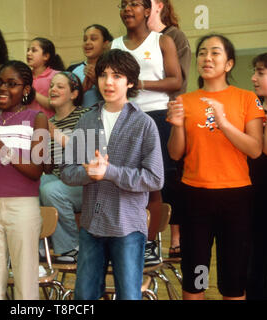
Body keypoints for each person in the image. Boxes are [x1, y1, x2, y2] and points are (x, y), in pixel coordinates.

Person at [167, 34, 264, 300]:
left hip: (236, 197)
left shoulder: (246, 99)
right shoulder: (184, 101)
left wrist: (223, 122)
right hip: (195, 196)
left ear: (229, 63)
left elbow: (255, 148)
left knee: (233, 282)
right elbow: (176, 153)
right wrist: (176, 126)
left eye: (215, 53)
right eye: (202, 53)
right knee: (196, 278)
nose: (207, 58)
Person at [61, 49, 164, 300]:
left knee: (129, 295)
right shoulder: (86, 121)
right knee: (84, 297)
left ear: (129, 82)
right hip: (91, 227)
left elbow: (154, 178)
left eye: (117, 76)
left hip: (127, 226)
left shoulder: (143, 123)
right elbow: (66, 172)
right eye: (103, 75)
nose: (108, 82)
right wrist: (88, 173)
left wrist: (110, 172)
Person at [111, 0, 182, 267]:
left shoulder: (161, 41)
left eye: (134, 4)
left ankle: (151, 242)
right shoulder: (115, 45)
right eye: (123, 4)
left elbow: (176, 80)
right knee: (124, 181)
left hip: (156, 116)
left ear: (148, 9)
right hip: (123, 118)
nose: (128, 9)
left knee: (152, 184)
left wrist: (139, 84)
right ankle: (125, 236)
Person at [0, 60, 48, 300]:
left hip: (22, 206)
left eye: (11, 84)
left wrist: (5, 152)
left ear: (26, 89)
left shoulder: (38, 119)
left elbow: (38, 169)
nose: (3, 88)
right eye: (0, 83)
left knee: (25, 275)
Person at [147, 0, 191, 258]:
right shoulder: (130, 40)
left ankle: (176, 237)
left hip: (166, 112)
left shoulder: (174, 36)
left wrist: (140, 83)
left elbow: (179, 81)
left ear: (158, 5)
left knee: (169, 178)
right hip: (138, 115)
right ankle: (149, 237)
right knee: (146, 181)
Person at [39, 71, 89, 263]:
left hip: (85, 182)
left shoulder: (86, 115)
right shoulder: (48, 122)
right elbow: (46, 166)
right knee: (31, 184)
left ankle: (72, 247)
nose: (53, 89)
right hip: (60, 180)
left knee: (51, 190)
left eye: (60, 86)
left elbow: (90, 153)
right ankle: (38, 248)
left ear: (74, 94)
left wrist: (57, 135)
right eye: (52, 86)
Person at [246, 52, 267, 300]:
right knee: (255, 273)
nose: (253, 78)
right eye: (254, 71)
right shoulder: (252, 108)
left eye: (261, 73)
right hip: (256, 203)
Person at [67, 24, 113, 108]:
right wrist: (81, 91)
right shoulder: (72, 70)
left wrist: (96, 81)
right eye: (85, 39)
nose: (87, 42)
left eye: (93, 39)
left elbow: (117, 98)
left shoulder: (112, 69)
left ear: (105, 44)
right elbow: (65, 101)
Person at [26, 37, 65, 119]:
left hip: (48, 124)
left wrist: (33, 93)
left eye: (34, 50)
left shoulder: (56, 76)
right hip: (27, 123)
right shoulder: (24, 76)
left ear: (46, 56)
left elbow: (56, 105)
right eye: (28, 50)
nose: (28, 53)